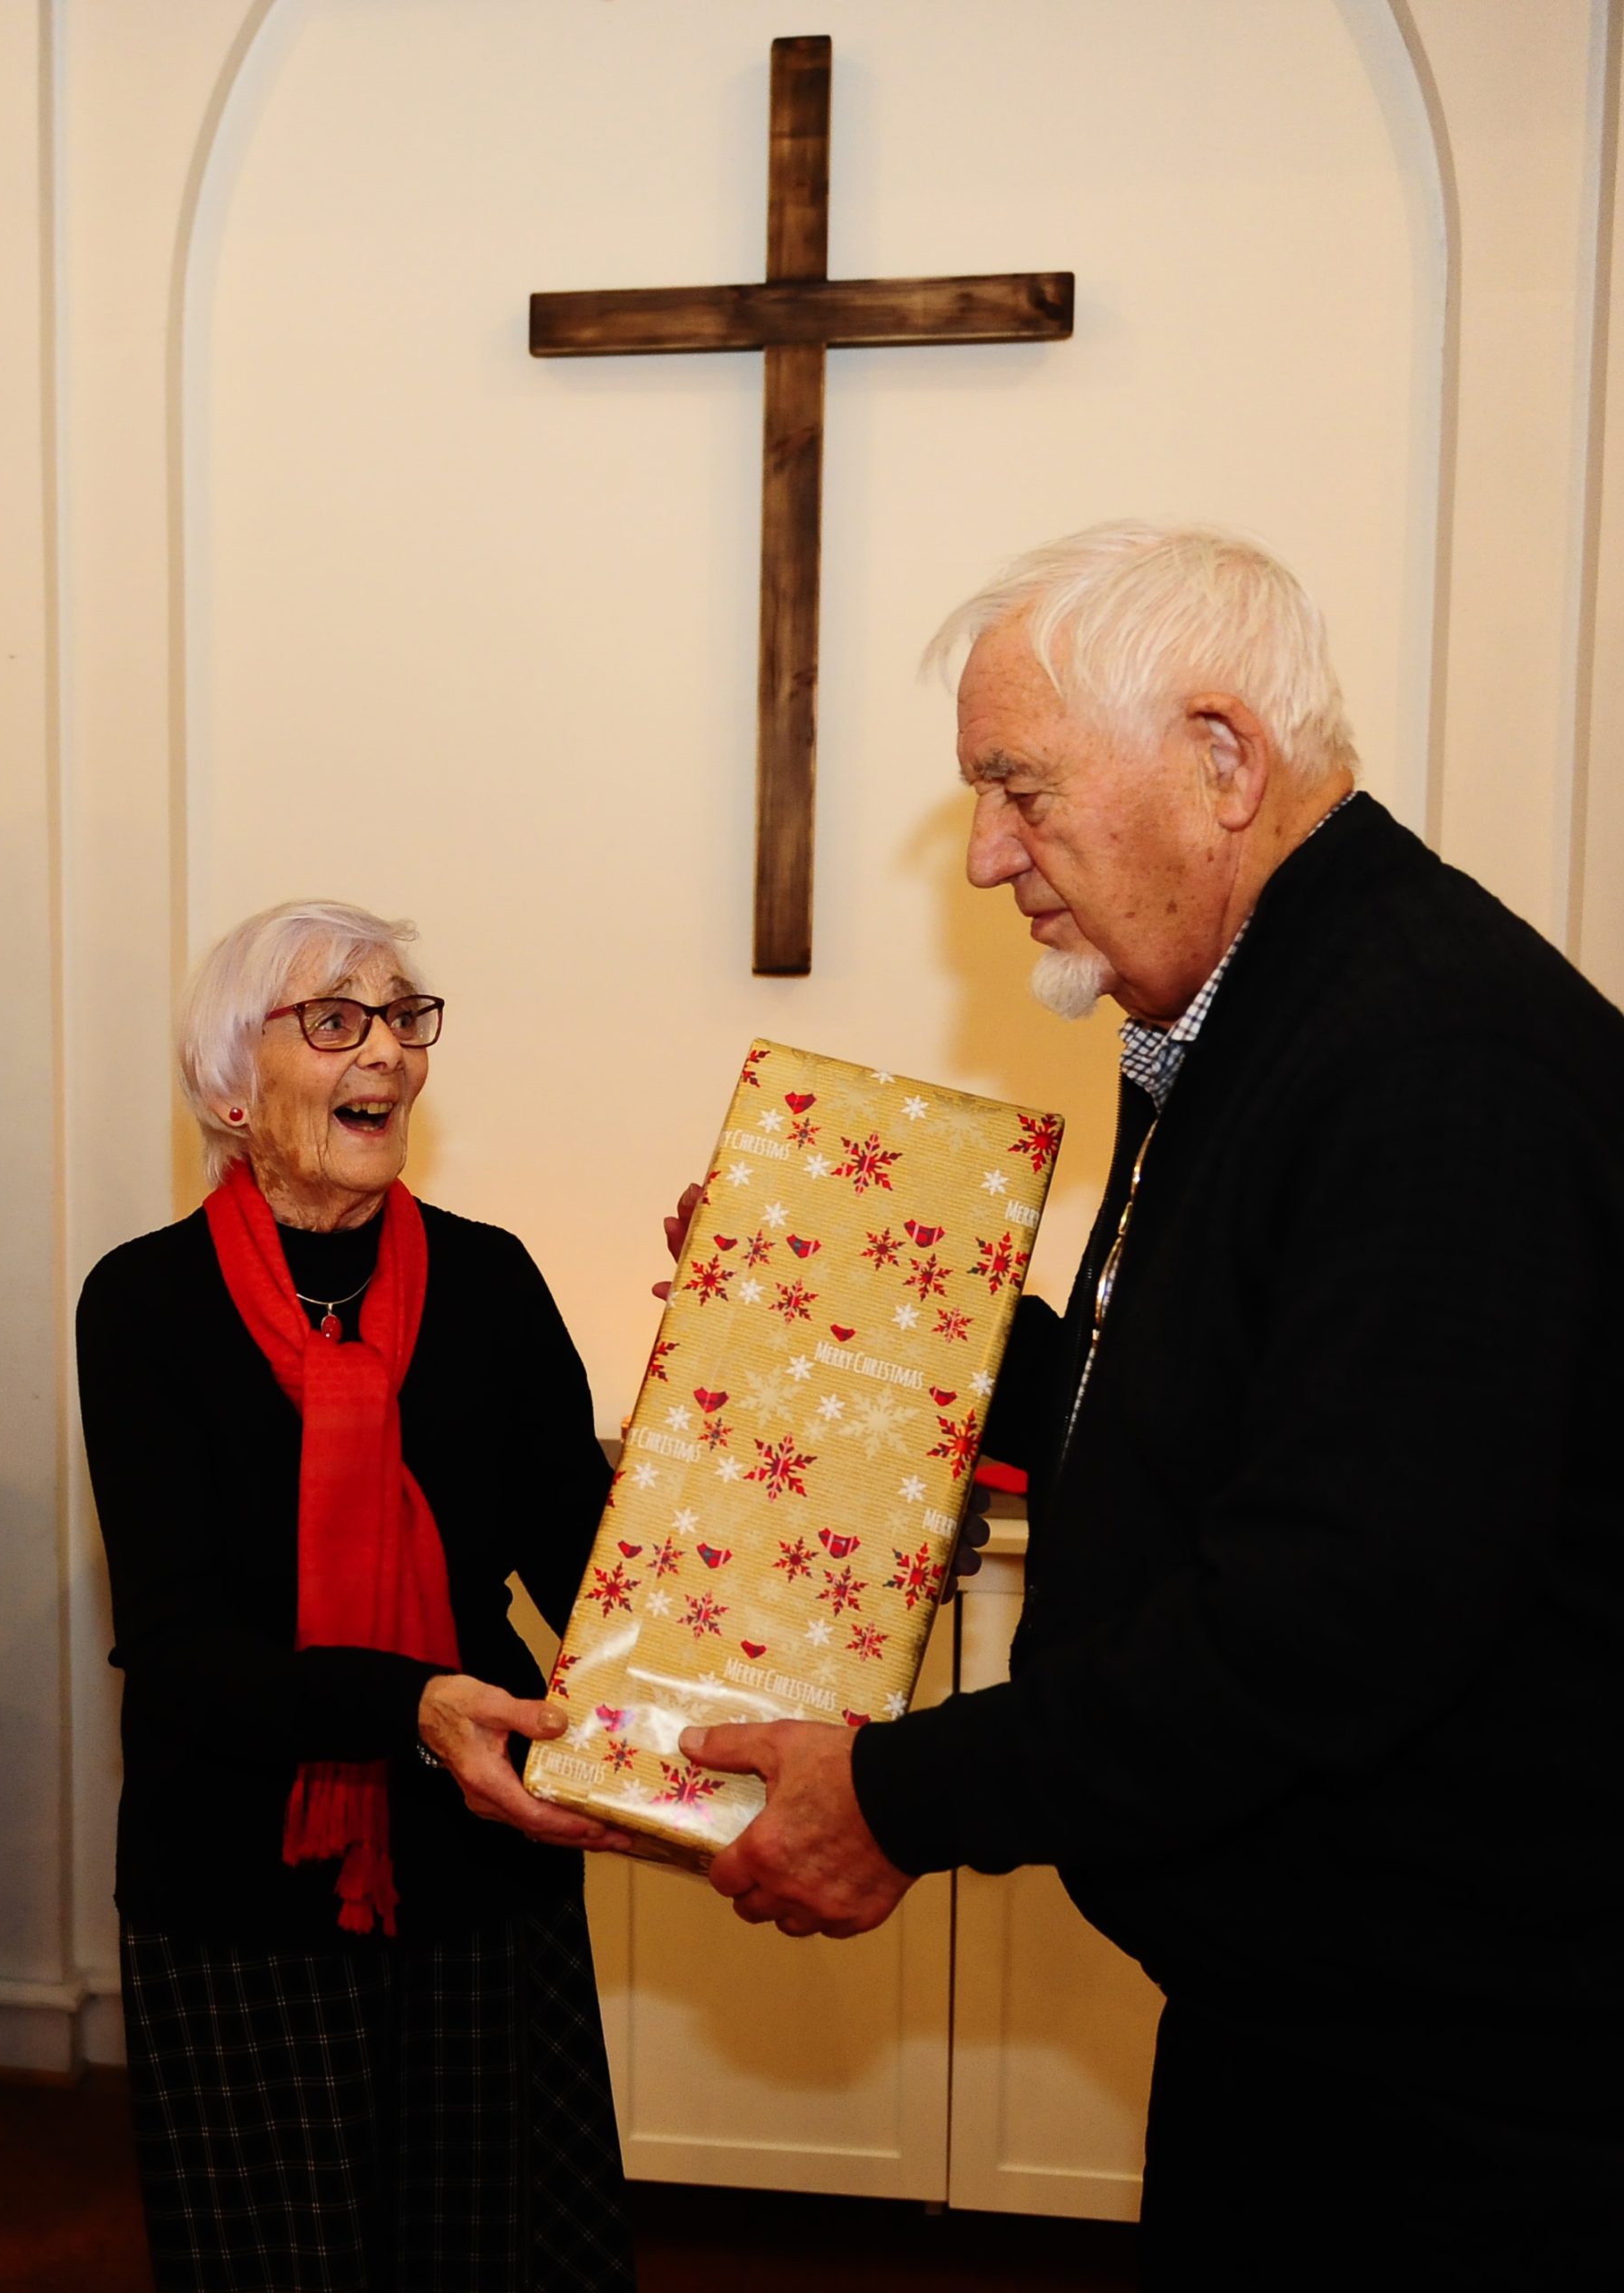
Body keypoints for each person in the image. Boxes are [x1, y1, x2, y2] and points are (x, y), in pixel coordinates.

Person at [675, 526, 1624, 2288]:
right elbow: (1188, 1412)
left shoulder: (1435, 1064)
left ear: (1220, 761)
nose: (986, 854)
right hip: (1316, 2028)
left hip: (1461, 2097)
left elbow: (1325, 1619)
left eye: (1018, 788)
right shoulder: (1272, 1016)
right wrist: (869, 1323)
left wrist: (898, 1795)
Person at [77, 899, 635, 2293]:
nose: (385, 1049)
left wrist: (750, 1426)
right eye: (333, 1020)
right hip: (237, 1875)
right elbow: (179, 1643)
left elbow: (589, 1564)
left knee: (487, 2252)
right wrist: (413, 1705)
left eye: (401, 1016)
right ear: (230, 1086)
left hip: (477, 1860)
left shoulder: (492, 1280)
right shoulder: (143, 1304)